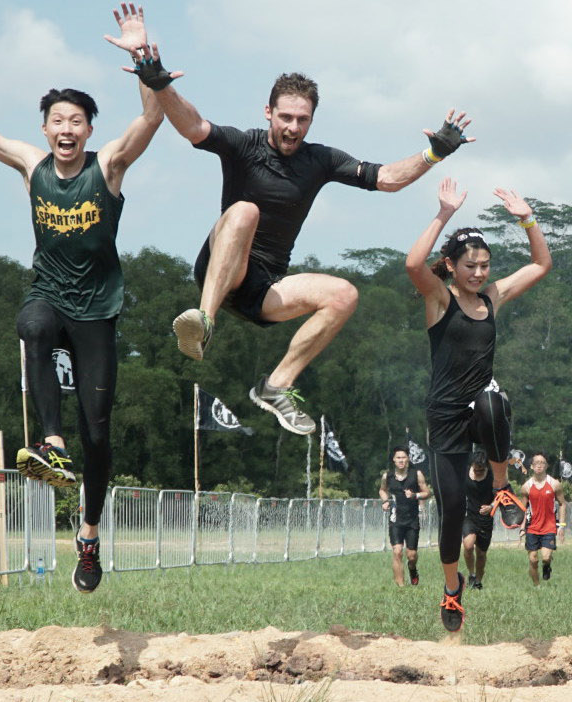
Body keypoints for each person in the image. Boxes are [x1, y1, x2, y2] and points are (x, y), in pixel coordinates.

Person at [0, 9, 164, 594]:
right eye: (56, 121)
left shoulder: (109, 167)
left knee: (100, 434)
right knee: (30, 324)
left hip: (98, 309)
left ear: (89, 130)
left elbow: (153, 117)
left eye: (76, 121)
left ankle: (89, 538)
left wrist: (146, 61)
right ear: (45, 130)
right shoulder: (31, 166)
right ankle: (50, 442)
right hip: (50, 295)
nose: (66, 129)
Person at [144, 54, 473, 436]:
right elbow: (193, 126)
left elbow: (385, 178)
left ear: (311, 121)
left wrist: (435, 153)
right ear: (268, 112)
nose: (292, 127)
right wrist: (159, 83)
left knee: (345, 294)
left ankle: (277, 386)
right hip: (223, 269)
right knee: (245, 212)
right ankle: (204, 320)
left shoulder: (320, 159)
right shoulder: (244, 145)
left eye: (302, 120)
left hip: (264, 290)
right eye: (285, 117)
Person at [404, 178, 551, 631]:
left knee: (491, 399)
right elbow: (413, 263)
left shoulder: (493, 297)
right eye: (470, 266)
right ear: (450, 266)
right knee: (450, 513)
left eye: (485, 265)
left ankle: (503, 488)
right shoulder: (439, 298)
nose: (479, 274)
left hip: (480, 412)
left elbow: (542, 264)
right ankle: (452, 590)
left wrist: (527, 219)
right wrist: (444, 212)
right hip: (445, 417)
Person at [379, 447, 430, 587]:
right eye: (398, 458)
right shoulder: (387, 476)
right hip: (396, 519)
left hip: (412, 520)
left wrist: (415, 495)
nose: (401, 460)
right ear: (394, 460)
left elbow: (427, 492)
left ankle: (412, 570)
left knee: (411, 556)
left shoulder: (416, 474)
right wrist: (385, 501)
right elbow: (382, 490)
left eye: (403, 457)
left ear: (408, 459)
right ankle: (401, 587)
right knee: (397, 551)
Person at [522, 451, 563, 585]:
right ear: (532, 466)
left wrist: (561, 526)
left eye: (542, 463)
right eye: (536, 463)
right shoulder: (526, 487)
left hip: (549, 527)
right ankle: (537, 586)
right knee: (533, 559)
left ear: (546, 466)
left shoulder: (554, 484)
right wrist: (522, 528)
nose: (539, 465)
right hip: (532, 527)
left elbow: (562, 504)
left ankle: (547, 566)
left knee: (546, 557)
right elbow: (523, 508)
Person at [460, 451, 497, 590]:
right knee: (468, 546)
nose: (478, 472)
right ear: (472, 465)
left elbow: (501, 495)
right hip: (469, 515)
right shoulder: (464, 473)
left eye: (481, 470)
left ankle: (478, 581)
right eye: (476, 469)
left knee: (481, 554)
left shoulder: (493, 476)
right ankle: (471, 574)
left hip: (486, 518)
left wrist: (491, 506)